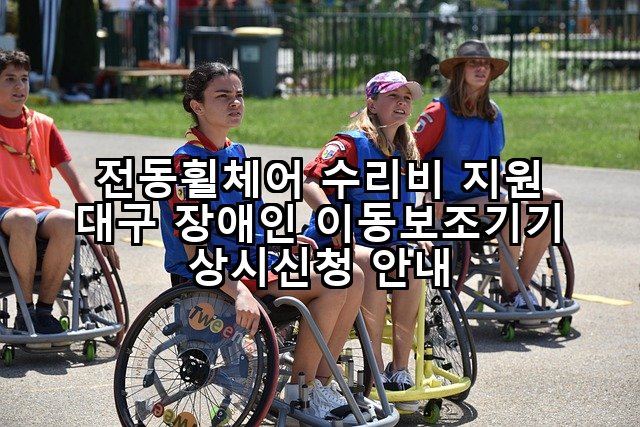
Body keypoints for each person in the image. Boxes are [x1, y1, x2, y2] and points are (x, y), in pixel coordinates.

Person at [158, 61, 366, 420]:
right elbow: (195, 252)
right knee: (337, 281)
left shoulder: (236, 153)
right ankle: (303, 390)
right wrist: (238, 291)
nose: (235, 102)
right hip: (214, 278)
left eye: (239, 95)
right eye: (222, 96)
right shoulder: (186, 163)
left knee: (355, 275)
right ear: (197, 106)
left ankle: (319, 386)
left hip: (253, 265)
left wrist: (286, 240)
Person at [302, 70, 428, 412]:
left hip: (385, 240)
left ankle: (399, 369)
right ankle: (374, 372)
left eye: (406, 98)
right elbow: (309, 183)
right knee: (374, 262)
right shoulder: (350, 144)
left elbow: (406, 204)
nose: (402, 103)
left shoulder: (406, 149)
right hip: (338, 241)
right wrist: (331, 216)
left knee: (412, 262)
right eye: (393, 96)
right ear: (372, 104)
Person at [414, 39, 563, 309]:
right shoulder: (439, 111)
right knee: (513, 207)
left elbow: (495, 164)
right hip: (449, 202)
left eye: (486, 64)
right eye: (474, 63)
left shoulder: (492, 113)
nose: (481, 68)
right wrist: (431, 191)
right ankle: (512, 292)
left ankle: (520, 287)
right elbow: (412, 154)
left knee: (551, 200)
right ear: (459, 70)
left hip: (487, 196)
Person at [0, 49, 120, 334]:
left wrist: (102, 228)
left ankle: (44, 312)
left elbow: (77, 183)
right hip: (6, 211)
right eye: (9, 79)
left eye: (24, 79)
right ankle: (25, 312)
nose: (19, 86)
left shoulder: (43, 125)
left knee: (68, 220)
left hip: (39, 209)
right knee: (23, 219)